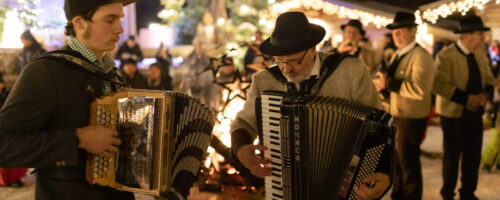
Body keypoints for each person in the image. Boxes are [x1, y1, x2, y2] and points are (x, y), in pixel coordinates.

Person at [230, 11, 391, 200]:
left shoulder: (351, 72)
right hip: (285, 186)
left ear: (313, 49)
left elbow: (379, 127)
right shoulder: (264, 81)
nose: (285, 69)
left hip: (344, 186)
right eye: (279, 61)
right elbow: (243, 124)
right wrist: (240, 147)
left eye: (293, 61)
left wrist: (386, 172)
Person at [0, 0, 134, 199]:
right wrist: (77, 139)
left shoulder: (112, 73)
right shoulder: (46, 72)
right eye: (110, 20)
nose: (120, 29)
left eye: (120, 19)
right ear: (79, 22)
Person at [372, 11, 435, 200]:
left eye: (402, 31)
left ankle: (411, 197)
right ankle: (398, 195)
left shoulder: (421, 56)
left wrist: (387, 84)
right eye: (395, 32)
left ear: (414, 31)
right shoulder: (396, 54)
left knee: (408, 164)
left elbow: (419, 89)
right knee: (396, 162)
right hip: (395, 114)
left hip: (410, 117)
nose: (397, 35)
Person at [433, 15, 497, 200]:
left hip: (474, 114)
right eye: (480, 34)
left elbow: (488, 78)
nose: (483, 38)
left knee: (473, 156)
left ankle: (468, 193)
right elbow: (438, 85)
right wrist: (467, 98)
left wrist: (487, 94)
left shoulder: (479, 52)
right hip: (453, 115)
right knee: (452, 158)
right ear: (467, 35)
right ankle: (448, 194)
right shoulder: (446, 56)